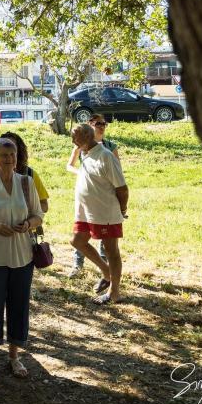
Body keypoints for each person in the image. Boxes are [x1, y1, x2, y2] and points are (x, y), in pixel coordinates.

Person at [0, 138, 44, 378]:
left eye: (12, 155)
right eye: (4, 155)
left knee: (19, 305)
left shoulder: (27, 182)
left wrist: (27, 225)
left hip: (23, 255)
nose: (9, 159)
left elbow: (38, 215)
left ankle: (14, 356)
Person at [69, 124, 129, 305]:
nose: (73, 141)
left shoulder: (106, 156)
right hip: (86, 212)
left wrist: (123, 209)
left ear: (87, 137)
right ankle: (106, 272)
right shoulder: (86, 154)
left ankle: (114, 292)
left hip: (105, 212)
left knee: (111, 251)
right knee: (77, 241)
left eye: (75, 138)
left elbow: (122, 188)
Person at [65, 115, 119, 276]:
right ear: (90, 126)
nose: (102, 126)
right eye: (98, 123)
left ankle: (106, 271)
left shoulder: (110, 147)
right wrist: (81, 173)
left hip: (104, 198)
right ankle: (79, 264)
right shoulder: (81, 145)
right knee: (80, 236)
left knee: (106, 240)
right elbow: (69, 165)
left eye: (104, 123)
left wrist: (120, 204)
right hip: (86, 198)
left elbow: (117, 173)